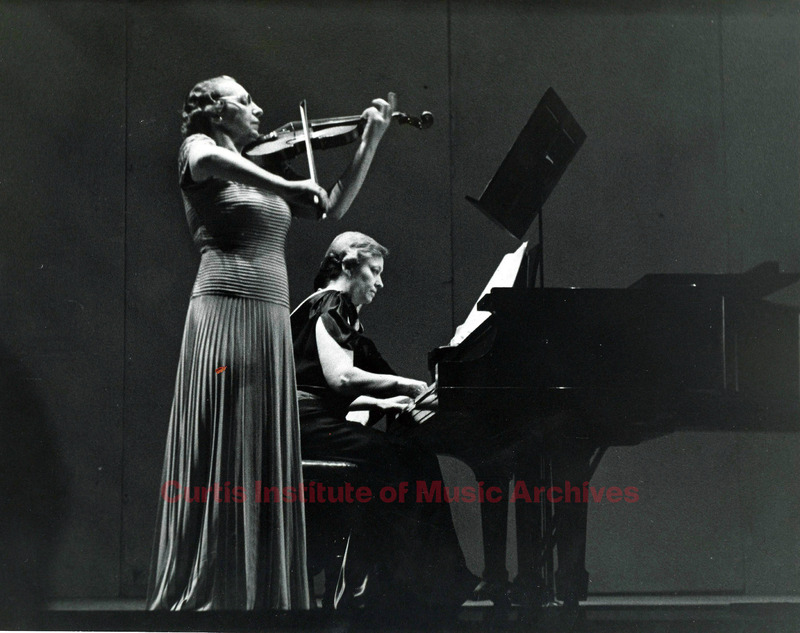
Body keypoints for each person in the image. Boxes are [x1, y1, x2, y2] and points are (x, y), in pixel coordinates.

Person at [148, 76, 395, 610]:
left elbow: (328, 208)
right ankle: (215, 584)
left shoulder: (263, 166)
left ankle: (258, 590)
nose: (258, 108)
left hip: (268, 317)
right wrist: (283, 186)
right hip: (225, 307)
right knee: (227, 436)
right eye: (243, 101)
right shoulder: (200, 148)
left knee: (259, 441)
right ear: (214, 112)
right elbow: (214, 163)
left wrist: (368, 141)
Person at [290, 232, 475, 609]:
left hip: (306, 423)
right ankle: (418, 589)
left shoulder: (324, 310)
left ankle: (399, 586)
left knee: (403, 458)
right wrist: (402, 385)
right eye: (373, 271)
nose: (380, 282)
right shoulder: (331, 303)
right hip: (307, 426)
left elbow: (323, 384)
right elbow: (339, 377)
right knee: (410, 458)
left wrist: (383, 402)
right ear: (347, 266)